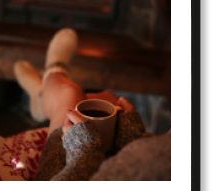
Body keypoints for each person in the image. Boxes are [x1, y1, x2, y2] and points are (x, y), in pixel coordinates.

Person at [14, 28, 171, 181]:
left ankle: (53, 72)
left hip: (65, 173)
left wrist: (82, 149)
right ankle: (41, 95)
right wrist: (132, 135)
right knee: (103, 99)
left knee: (69, 93)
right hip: (113, 156)